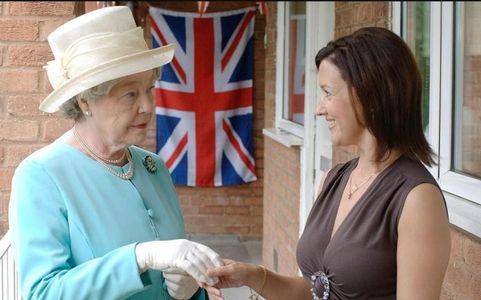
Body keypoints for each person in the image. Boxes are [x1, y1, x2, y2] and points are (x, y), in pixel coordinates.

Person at [204, 27, 451, 300]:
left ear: (370, 93)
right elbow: (315, 292)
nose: (319, 109)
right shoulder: (333, 179)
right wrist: (251, 276)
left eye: (328, 93)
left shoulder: (417, 199)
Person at [8, 6, 223, 300]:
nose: (147, 106)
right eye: (130, 94)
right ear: (85, 101)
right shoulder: (42, 175)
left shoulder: (153, 167)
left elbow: (172, 275)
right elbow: (44, 293)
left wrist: (189, 290)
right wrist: (140, 256)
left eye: (149, 88)